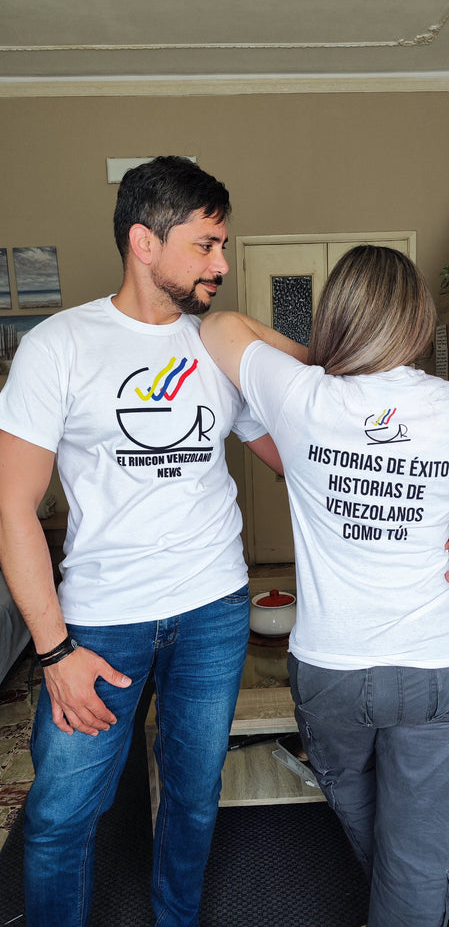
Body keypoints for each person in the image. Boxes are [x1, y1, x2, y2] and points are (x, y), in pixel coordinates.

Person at [199, 244, 449, 927]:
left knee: (374, 828)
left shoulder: (301, 394)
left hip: (333, 672)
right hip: (441, 663)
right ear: (417, 321)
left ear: (337, 317)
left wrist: (321, 363)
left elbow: (218, 326)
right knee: (410, 851)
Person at [0, 155, 285, 926]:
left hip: (212, 610)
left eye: (223, 245)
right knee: (60, 813)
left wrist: (418, 504)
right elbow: (12, 507)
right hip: (100, 621)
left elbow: (295, 456)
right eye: (205, 245)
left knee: (192, 796)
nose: (220, 264)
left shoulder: (216, 347)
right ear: (144, 242)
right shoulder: (59, 345)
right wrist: (55, 652)